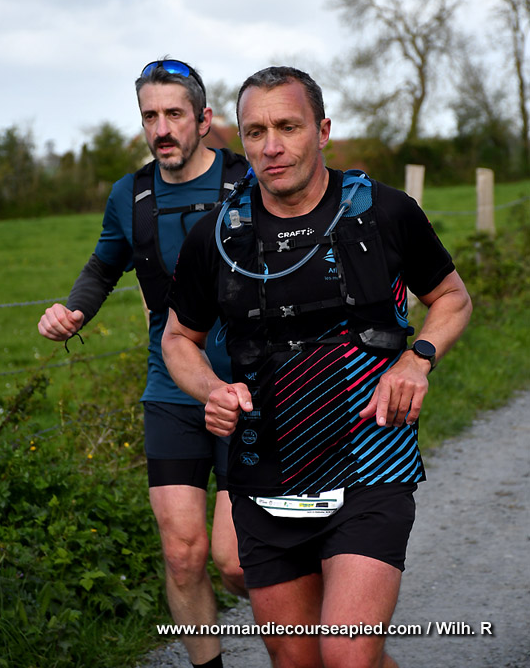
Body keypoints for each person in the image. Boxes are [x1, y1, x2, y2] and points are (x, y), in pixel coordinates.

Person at [161, 65, 473, 668]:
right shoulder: (218, 236)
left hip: (371, 461)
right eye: (255, 132)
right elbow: (178, 337)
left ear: (322, 130)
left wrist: (417, 360)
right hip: (265, 473)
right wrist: (211, 390)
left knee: (348, 654)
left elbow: (452, 298)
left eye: (288, 127)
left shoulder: (385, 211)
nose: (271, 146)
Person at [38, 58, 247, 668]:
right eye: (150, 115)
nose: (161, 128)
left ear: (203, 120)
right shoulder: (130, 195)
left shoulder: (248, 180)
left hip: (250, 388)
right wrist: (73, 311)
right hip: (171, 388)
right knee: (183, 554)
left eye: (174, 114)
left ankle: (310, 629)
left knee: (237, 562)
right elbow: (104, 265)